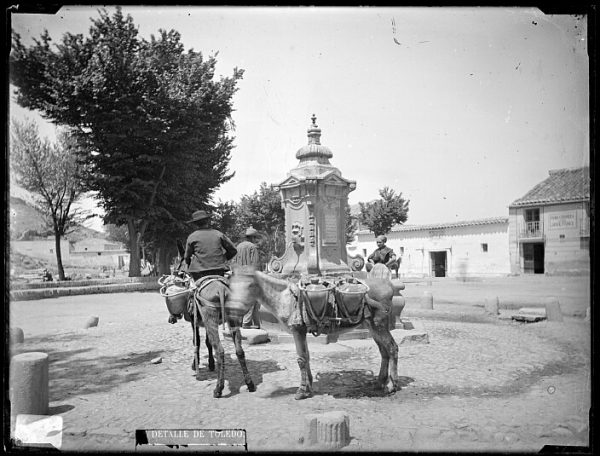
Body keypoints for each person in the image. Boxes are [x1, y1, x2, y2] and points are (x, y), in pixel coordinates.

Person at [184, 210, 238, 281]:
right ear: (207, 221)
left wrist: (188, 263)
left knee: (195, 289)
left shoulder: (192, 237)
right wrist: (223, 258)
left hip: (199, 272)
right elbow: (233, 250)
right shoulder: (218, 234)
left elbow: (186, 257)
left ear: (195, 224)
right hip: (218, 270)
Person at [231, 227, 262, 329]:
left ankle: (240, 321)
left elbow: (233, 263)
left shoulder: (238, 246)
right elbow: (255, 264)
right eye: (255, 238)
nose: (255, 240)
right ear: (252, 237)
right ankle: (247, 322)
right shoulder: (253, 247)